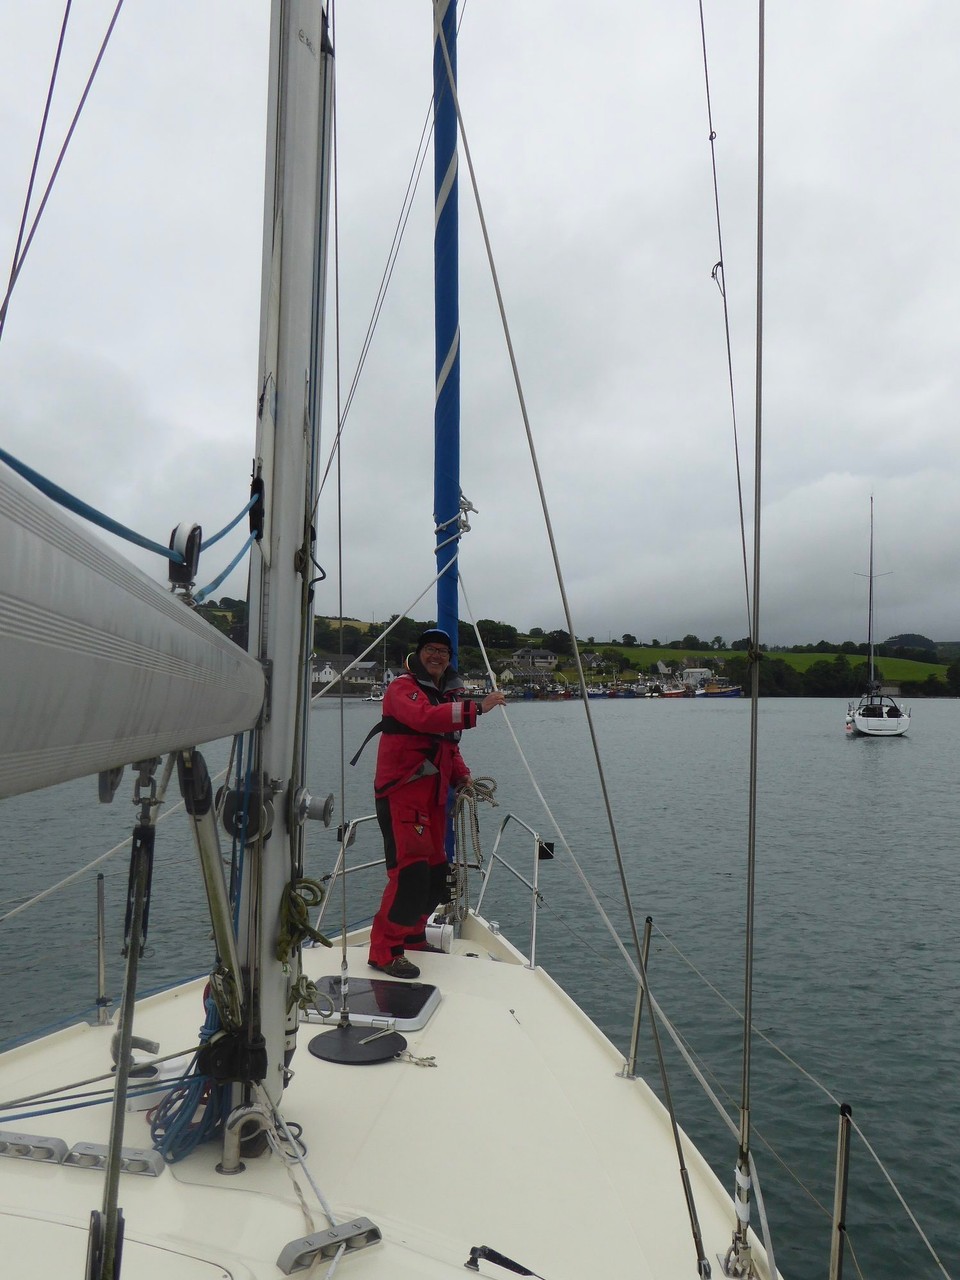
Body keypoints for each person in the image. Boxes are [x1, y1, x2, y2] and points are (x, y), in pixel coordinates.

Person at [367, 628, 505, 979]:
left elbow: (447, 746)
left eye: (443, 651)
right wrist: (477, 709)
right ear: (419, 653)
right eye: (430, 649)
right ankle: (384, 951)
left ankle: (412, 936)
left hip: (432, 797)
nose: (437, 655)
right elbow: (425, 720)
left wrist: (463, 777)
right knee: (409, 874)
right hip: (402, 795)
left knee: (434, 875)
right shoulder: (402, 688)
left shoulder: (445, 694)